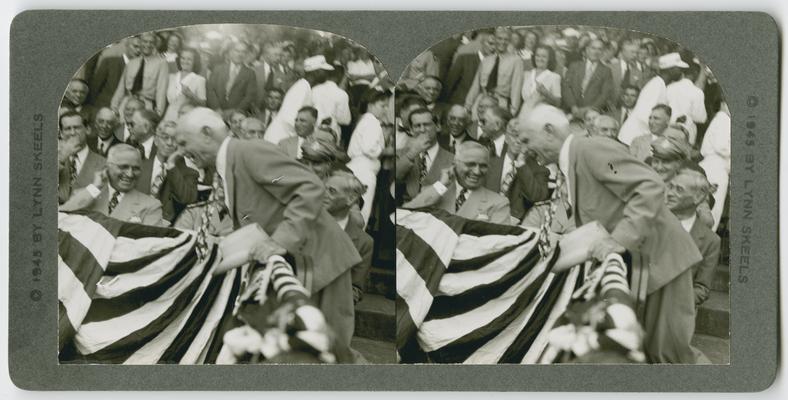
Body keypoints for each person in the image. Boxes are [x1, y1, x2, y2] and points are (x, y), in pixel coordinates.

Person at [517, 104, 703, 364]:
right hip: (643, 267)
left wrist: (618, 240)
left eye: (527, 139)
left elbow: (649, 186)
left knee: (670, 355)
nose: (524, 148)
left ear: (549, 131)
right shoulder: (571, 159)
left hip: (663, 263)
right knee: (650, 354)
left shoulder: (590, 149)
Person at [174, 107, 362, 350]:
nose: (181, 151)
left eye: (183, 142)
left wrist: (280, 242)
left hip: (321, 262)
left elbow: (309, 187)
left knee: (330, 350)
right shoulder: (229, 160)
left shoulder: (250, 151)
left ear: (207, 133)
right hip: (303, 263)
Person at [403, 141, 511, 225]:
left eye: (483, 166)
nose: (477, 171)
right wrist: (441, 185)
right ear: (455, 164)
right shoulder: (436, 192)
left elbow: (497, 244)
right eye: (470, 164)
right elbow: (406, 213)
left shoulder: (499, 203)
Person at [60, 144, 165, 227]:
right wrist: (95, 187)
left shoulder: (151, 205)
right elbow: (63, 215)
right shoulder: (87, 195)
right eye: (123, 167)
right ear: (107, 167)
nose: (130, 174)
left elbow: (152, 246)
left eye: (136, 168)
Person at [665, 166, 720, 307]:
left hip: (676, 316)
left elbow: (702, 288)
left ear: (698, 197)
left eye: (679, 190)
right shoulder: (650, 222)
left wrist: (672, 302)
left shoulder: (710, 241)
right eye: (670, 186)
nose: (669, 193)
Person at [323, 170, 373, 305]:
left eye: (331, 191)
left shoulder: (364, 242)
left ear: (350, 199)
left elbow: (355, 290)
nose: (323, 194)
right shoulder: (305, 223)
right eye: (323, 188)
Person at [618, 52, 686, 145]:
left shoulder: (660, 84)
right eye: (679, 69)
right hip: (631, 138)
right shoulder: (656, 86)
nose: (681, 72)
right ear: (671, 70)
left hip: (636, 138)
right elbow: (645, 116)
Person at [263, 55, 332, 144]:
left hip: (283, 138)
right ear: (316, 72)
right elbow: (290, 119)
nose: (327, 75)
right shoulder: (302, 88)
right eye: (324, 71)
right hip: (278, 139)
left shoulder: (304, 86)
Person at [346, 90, 390, 224]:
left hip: (355, 169)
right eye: (382, 105)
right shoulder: (372, 121)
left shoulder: (364, 119)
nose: (386, 109)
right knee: (361, 214)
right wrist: (386, 150)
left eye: (387, 106)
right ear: (371, 104)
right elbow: (369, 148)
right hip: (363, 172)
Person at [142, 121, 199, 223]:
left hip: (166, 226)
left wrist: (171, 165)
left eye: (174, 140)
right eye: (165, 137)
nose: (169, 143)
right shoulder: (140, 166)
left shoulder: (190, 173)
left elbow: (186, 199)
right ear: (155, 140)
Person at [396, 108, 454, 203]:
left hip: (438, 211)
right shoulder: (400, 155)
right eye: (417, 126)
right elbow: (396, 178)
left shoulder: (452, 159)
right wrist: (412, 153)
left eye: (427, 124)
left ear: (438, 126)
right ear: (410, 130)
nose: (422, 130)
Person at [465, 27, 525, 116]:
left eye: (506, 39)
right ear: (495, 39)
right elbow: (475, 86)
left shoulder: (516, 61)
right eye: (499, 38)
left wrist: (513, 111)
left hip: (500, 103)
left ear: (509, 41)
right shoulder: (486, 60)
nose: (502, 42)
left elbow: (516, 88)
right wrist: (467, 106)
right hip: (481, 101)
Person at [111, 32, 169, 116]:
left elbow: (161, 91)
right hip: (126, 104)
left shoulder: (161, 63)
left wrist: (158, 113)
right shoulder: (131, 63)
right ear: (140, 43)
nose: (148, 45)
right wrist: (114, 107)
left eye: (151, 42)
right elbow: (121, 89)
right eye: (145, 41)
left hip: (145, 105)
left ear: (155, 45)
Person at [57, 111, 107, 204]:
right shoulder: (53, 160)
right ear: (61, 133)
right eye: (67, 129)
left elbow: (101, 196)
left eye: (77, 127)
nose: (72, 133)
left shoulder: (103, 164)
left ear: (87, 129)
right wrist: (62, 157)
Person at [561, 38, 614, 119]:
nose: (596, 52)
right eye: (593, 48)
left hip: (591, 114)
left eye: (599, 49)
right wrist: (573, 106)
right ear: (587, 49)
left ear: (603, 52)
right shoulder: (574, 66)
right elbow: (566, 87)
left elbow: (604, 95)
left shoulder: (606, 71)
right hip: (570, 111)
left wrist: (588, 109)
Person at [89, 36, 140, 109]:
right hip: (104, 108)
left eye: (142, 48)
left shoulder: (143, 68)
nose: (138, 50)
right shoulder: (109, 62)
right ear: (126, 45)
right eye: (135, 46)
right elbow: (94, 88)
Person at [206, 41, 257, 113]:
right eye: (237, 51)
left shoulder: (250, 73)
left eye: (243, 52)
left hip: (235, 115)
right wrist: (216, 108)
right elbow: (210, 90)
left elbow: (249, 96)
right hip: (215, 111)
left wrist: (235, 112)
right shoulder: (218, 69)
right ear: (230, 52)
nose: (240, 54)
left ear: (246, 54)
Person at [445, 31, 493, 105]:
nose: (493, 47)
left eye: (496, 44)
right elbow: (449, 84)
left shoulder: (496, 64)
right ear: (482, 43)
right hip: (458, 104)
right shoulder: (464, 59)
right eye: (490, 43)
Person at [163, 47, 206, 122]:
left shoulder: (199, 80)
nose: (185, 61)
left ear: (194, 62)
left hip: (187, 118)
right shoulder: (171, 77)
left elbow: (203, 104)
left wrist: (191, 95)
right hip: (168, 117)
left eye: (189, 59)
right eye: (183, 58)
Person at [518, 45, 562, 117]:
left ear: (549, 59)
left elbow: (558, 103)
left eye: (544, 56)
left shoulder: (555, 77)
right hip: (524, 114)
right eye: (537, 55)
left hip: (542, 116)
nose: (540, 59)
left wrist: (546, 93)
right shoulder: (526, 74)